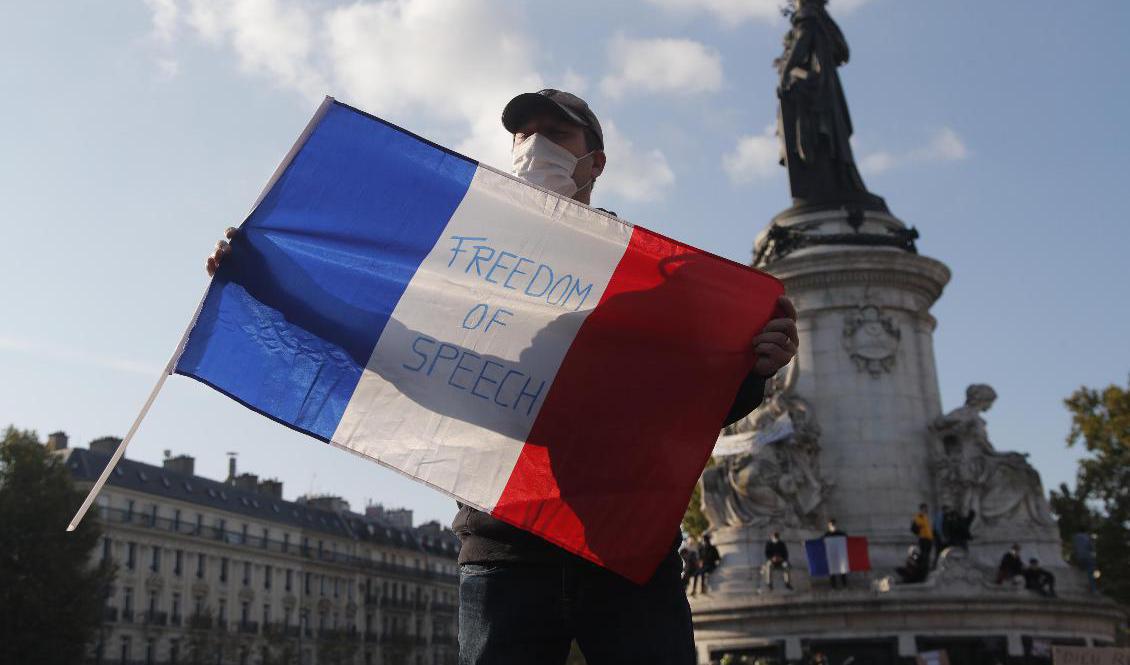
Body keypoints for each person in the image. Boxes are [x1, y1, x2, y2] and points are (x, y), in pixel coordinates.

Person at [206, 89, 800, 665]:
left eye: (555, 133)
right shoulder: (460, 264)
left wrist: (756, 370)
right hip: (505, 545)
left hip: (622, 545)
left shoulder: (651, 278)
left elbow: (687, 406)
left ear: (594, 162)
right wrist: (269, 275)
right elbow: (387, 337)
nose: (534, 144)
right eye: (523, 133)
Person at [823, 518, 849, 589]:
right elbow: (820, 542)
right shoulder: (827, 534)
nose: (832, 526)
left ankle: (844, 585)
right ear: (829, 525)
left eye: (833, 524)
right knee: (832, 571)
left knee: (842, 570)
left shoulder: (840, 533)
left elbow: (847, 538)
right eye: (831, 525)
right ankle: (833, 586)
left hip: (840, 555)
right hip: (832, 555)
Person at [910, 503, 934, 567]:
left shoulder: (926, 517)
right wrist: (919, 533)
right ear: (921, 509)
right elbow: (914, 528)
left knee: (927, 554)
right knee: (924, 554)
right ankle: (923, 566)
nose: (925, 509)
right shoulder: (918, 517)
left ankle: (926, 566)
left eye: (926, 508)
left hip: (929, 538)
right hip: (923, 538)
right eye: (924, 508)